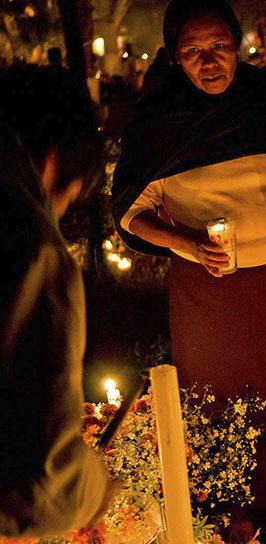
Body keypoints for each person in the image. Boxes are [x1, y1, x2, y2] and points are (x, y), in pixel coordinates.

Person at [109, 0, 266, 540]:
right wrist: (183, 243)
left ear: (239, 46)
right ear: (174, 58)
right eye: (192, 53)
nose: (208, 63)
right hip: (209, 290)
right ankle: (232, 504)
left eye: (219, 48)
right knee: (217, 393)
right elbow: (129, 213)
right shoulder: (159, 120)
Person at [0, 65, 112, 537]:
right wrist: (94, 489)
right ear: (51, 162)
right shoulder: (32, 250)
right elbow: (45, 489)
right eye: (64, 201)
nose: (59, 217)